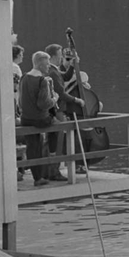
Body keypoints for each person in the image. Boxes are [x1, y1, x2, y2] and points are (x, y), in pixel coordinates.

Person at [43, 44, 83, 181]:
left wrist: (71, 65)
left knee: (53, 142)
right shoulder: (52, 72)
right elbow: (61, 94)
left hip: (55, 109)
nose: (61, 58)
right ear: (54, 56)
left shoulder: (53, 70)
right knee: (57, 141)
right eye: (60, 55)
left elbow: (65, 77)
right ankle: (54, 171)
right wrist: (76, 100)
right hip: (57, 110)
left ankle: (50, 170)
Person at [18, 51, 59, 186]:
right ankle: (53, 158)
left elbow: (20, 102)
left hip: (25, 119)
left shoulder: (23, 77)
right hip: (40, 119)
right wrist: (54, 99)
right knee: (59, 127)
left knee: (33, 146)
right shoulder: (42, 81)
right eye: (47, 64)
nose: (49, 67)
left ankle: (38, 178)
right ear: (41, 64)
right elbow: (43, 104)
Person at [10, 44, 25, 180]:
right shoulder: (15, 68)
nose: (22, 57)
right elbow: (16, 88)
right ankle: (20, 168)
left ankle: (20, 168)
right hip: (14, 104)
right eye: (21, 54)